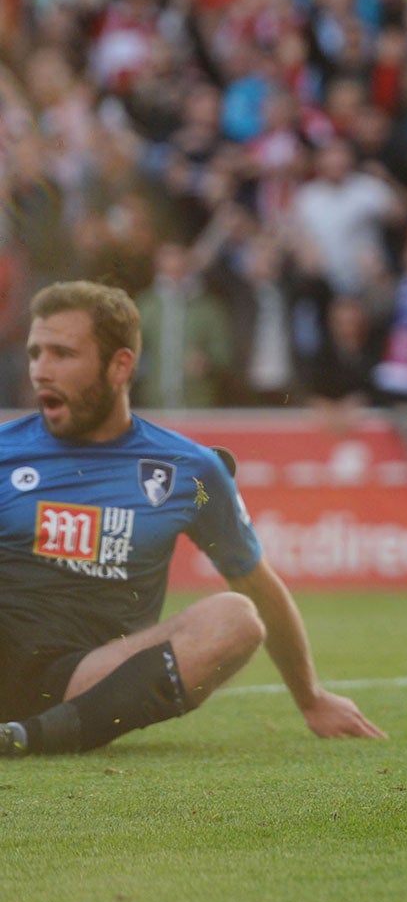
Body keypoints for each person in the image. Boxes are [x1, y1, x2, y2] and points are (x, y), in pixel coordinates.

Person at [2, 283, 381, 755]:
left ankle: (27, 738)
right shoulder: (6, 450)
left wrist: (311, 698)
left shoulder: (189, 470)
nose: (40, 370)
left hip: (87, 678)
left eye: (62, 353)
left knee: (237, 619)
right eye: (36, 353)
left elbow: (258, 587)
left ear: (120, 365)